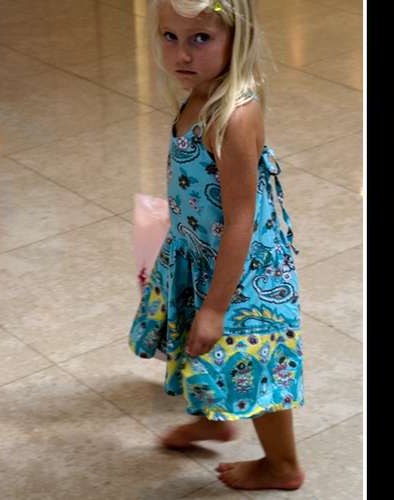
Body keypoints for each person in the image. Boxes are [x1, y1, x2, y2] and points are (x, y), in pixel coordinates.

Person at [129, 0, 305, 491]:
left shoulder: (233, 116)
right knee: (201, 343)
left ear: (236, 37)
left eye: (200, 39)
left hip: (244, 270)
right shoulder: (200, 92)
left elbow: (241, 219)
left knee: (252, 354)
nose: (182, 54)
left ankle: (283, 465)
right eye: (170, 37)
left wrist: (216, 306)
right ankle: (214, 421)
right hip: (202, 252)